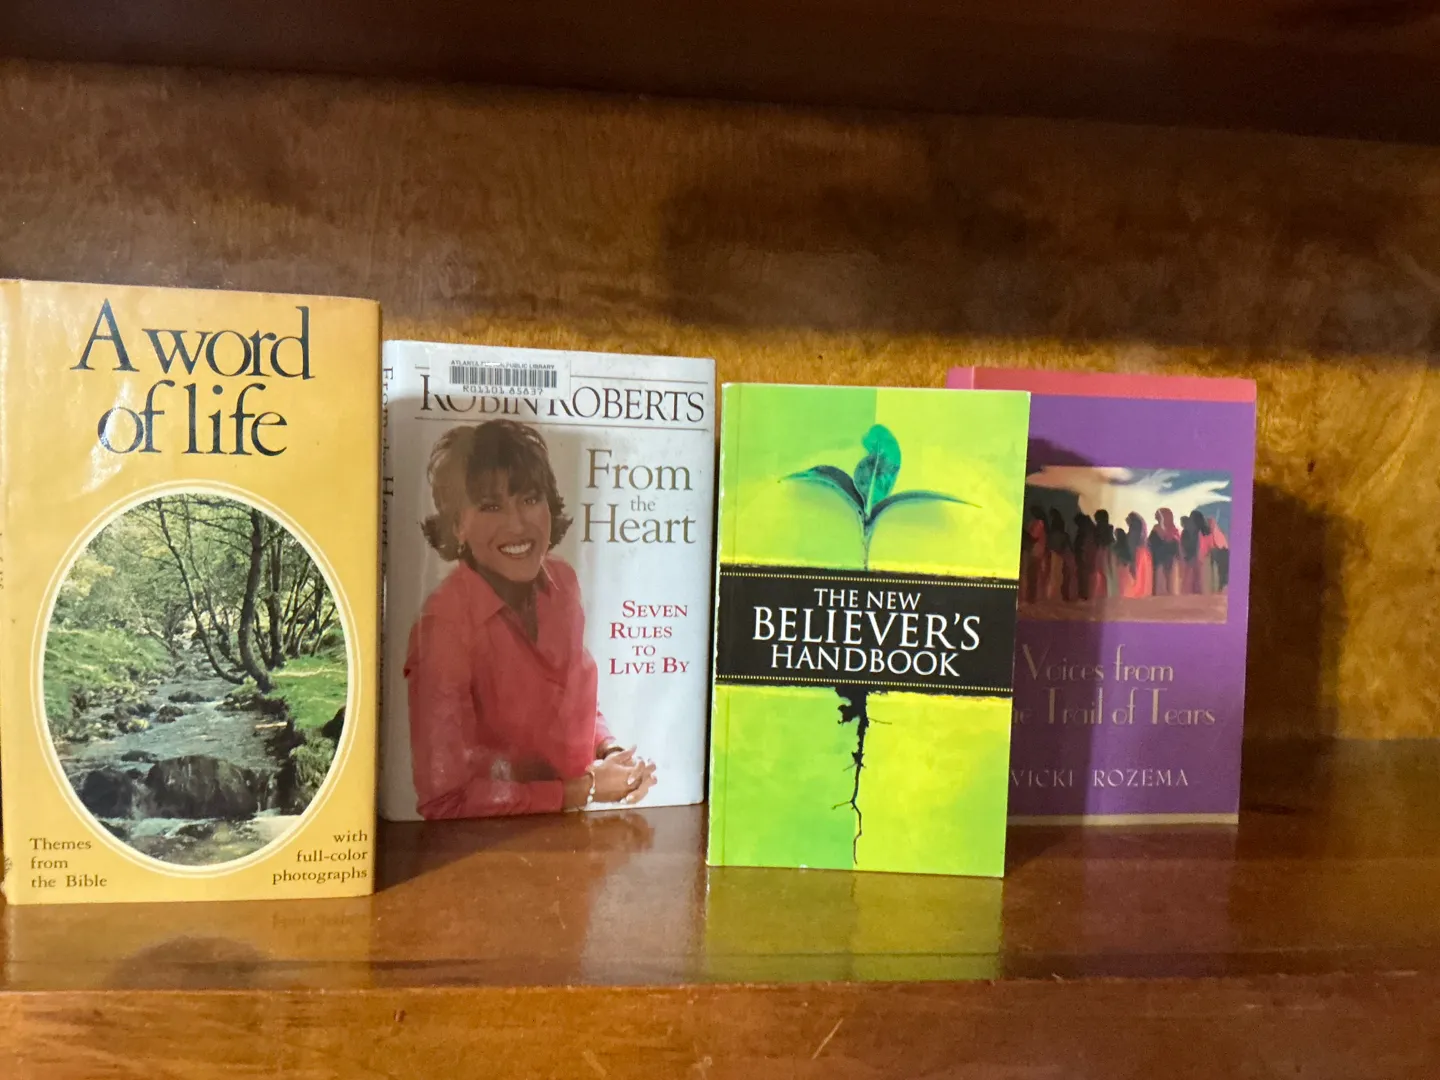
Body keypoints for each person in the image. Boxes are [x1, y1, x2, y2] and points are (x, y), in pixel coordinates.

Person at [404, 420, 656, 819]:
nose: (518, 524)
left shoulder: (563, 582)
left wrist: (609, 751)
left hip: (574, 831)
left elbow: (569, 701)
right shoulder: (443, 628)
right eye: (491, 506)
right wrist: (587, 789)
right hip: (496, 846)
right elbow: (444, 801)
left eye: (530, 498)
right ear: (457, 525)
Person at [1149, 508, 1181, 596]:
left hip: (1170, 561)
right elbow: (1151, 543)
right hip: (1158, 560)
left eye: (1159, 515)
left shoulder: (1174, 530)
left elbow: (1176, 546)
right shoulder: (1156, 528)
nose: (1157, 517)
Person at [1123, 512, 1153, 598]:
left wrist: (1131, 559)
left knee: (1137, 576)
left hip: (1137, 554)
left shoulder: (1133, 532)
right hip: (1143, 554)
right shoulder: (1141, 532)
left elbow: (1131, 545)